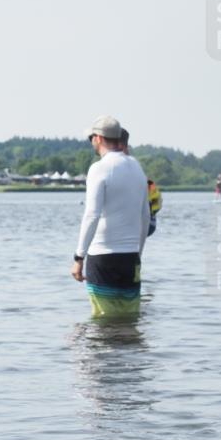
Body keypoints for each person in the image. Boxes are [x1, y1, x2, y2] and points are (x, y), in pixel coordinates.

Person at [72, 115, 150, 318]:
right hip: (130, 256)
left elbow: (92, 214)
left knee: (103, 319)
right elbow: (145, 215)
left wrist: (79, 257)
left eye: (91, 138)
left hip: (103, 257)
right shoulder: (136, 167)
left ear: (98, 138)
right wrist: (138, 255)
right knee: (128, 319)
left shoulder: (99, 168)